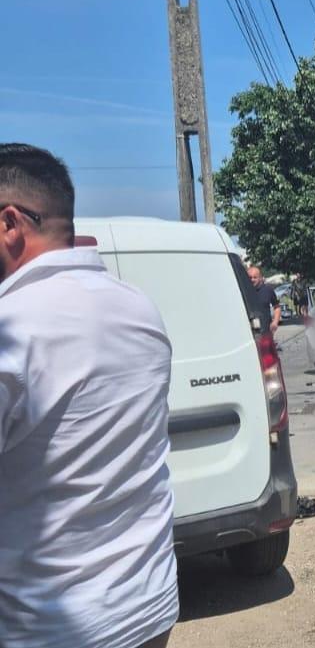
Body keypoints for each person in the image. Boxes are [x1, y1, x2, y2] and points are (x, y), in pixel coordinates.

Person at [0, 144, 178, 648]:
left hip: (48, 628)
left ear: (10, 224)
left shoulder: (10, 332)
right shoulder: (140, 310)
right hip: (147, 607)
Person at [247, 265, 281, 334]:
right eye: (250, 277)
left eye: (255, 277)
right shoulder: (244, 291)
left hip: (266, 331)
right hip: (249, 333)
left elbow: (277, 307)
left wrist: (275, 322)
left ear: (260, 278)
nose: (252, 280)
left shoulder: (268, 290)